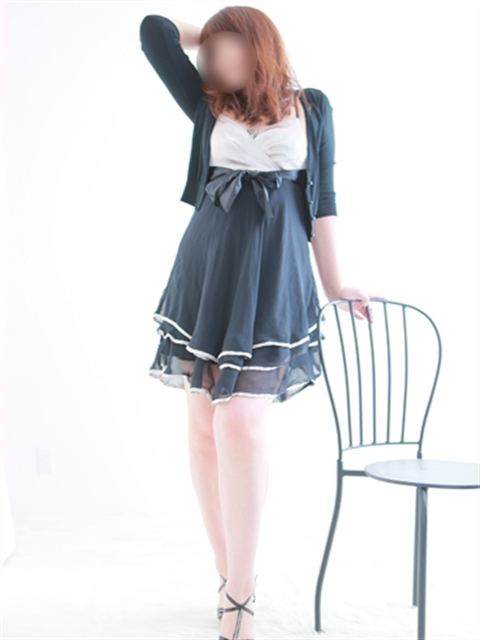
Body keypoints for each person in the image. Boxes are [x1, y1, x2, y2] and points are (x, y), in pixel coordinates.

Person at [139, 6, 376, 640]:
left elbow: (323, 204)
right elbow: (154, 32)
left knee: (239, 423)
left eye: (226, 48)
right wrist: (211, 37)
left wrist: (337, 284)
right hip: (208, 271)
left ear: (258, 43)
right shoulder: (206, 102)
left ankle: (240, 595)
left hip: (274, 278)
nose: (212, 61)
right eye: (208, 53)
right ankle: (227, 574)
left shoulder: (313, 107)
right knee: (204, 429)